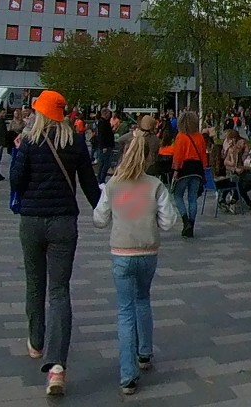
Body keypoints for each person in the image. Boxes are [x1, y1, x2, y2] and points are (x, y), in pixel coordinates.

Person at [11, 90, 101, 397]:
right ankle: (57, 367)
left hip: (32, 221)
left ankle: (36, 341)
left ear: (40, 112)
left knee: (34, 283)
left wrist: (19, 154)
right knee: (60, 291)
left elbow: (16, 182)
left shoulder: (29, 141)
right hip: (64, 222)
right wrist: (105, 213)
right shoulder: (75, 142)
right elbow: (89, 185)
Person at [92, 131, 180, 395]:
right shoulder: (155, 185)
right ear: (148, 157)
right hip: (148, 251)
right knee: (143, 299)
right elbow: (169, 221)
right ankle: (145, 352)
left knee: (125, 310)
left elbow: (99, 219)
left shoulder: (113, 185)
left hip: (122, 252)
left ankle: (128, 375)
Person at [170, 111, 207, 237]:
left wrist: (176, 170)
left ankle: (185, 221)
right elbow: (203, 154)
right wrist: (204, 169)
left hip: (184, 168)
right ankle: (191, 223)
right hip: (197, 169)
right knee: (192, 198)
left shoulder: (181, 137)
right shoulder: (200, 137)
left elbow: (178, 155)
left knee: (177, 195)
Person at [94, 108, 117, 184]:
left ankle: (100, 178)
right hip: (106, 146)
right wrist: (104, 146)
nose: (110, 115)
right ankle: (101, 179)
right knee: (106, 163)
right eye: (108, 113)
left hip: (107, 145)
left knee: (104, 163)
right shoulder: (103, 123)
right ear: (105, 114)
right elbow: (102, 135)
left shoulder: (104, 122)